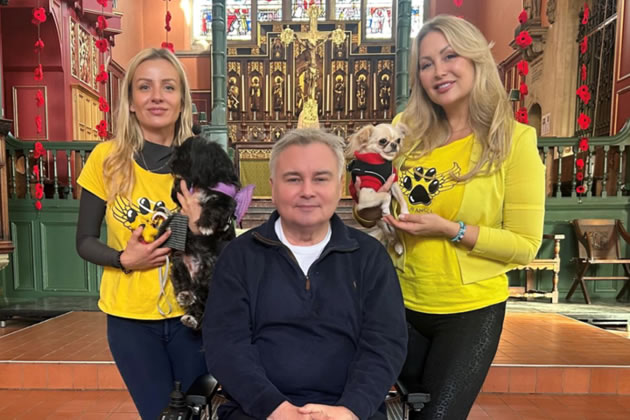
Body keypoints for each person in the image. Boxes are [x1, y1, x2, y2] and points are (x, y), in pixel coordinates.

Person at [353, 15, 545, 419]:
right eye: (426, 64)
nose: (438, 71)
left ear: (475, 58)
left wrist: (450, 230)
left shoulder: (515, 142)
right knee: (384, 409)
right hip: (398, 302)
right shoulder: (407, 135)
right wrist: (370, 204)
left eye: (449, 56)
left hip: (469, 312)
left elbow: (525, 246)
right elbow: (369, 217)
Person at [203, 129, 407, 420]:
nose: (307, 191)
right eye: (293, 179)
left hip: (349, 412)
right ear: (273, 187)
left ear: (340, 186)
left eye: (320, 178)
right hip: (257, 411)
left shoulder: (370, 257)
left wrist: (350, 410)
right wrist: (274, 408)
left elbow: (384, 344)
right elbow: (226, 345)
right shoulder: (239, 256)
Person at [76, 47, 208, 419]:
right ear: (131, 100)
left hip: (192, 317)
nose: (156, 97)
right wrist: (124, 259)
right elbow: (84, 241)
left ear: (182, 100)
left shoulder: (202, 161)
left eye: (168, 87)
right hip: (130, 320)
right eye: (144, 87)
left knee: (196, 414)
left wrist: (198, 226)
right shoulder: (106, 158)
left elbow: (223, 243)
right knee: (157, 414)